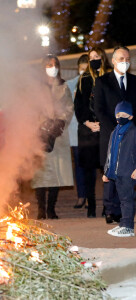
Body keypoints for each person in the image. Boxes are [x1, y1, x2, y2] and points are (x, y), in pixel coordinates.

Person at [94, 46, 136, 224]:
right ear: (114, 61)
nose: (125, 62)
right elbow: (99, 109)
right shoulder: (102, 81)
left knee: (126, 173)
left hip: (130, 136)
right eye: (121, 59)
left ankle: (123, 209)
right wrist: (115, 129)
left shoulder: (135, 81)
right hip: (111, 134)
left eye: (127, 59)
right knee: (110, 173)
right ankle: (110, 209)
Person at [32, 55, 73, 219]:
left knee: (57, 173)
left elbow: (70, 107)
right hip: (40, 134)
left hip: (58, 134)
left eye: (55, 64)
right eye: (49, 64)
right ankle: (41, 209)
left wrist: (61, 121)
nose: (52, 67)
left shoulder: (64, 86)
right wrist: (43, 123)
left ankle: (51, 208)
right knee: (40, 174)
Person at [74, 47, 111, 218]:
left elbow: (113, 104)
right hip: (87, 130)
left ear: (103, 58)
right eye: (91, 57)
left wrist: (103, 123)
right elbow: (79, 105)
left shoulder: (110, 77)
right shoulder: (84, 79)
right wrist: (88, 122)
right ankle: (91, 205)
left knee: (107, 170)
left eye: (97, 56)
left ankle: (107, 205)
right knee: (88, 171)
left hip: (106, 130)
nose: (94, 59)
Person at [103, 101, 136, 237]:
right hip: (116, 172)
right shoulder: (114, 132)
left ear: (131, 116)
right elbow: (109, 153)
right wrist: (106, 171)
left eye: (125, 114)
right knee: (122, 200)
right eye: (119, 114)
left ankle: (128, 227)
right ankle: (123, 223)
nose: (121, 116)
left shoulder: (135, 132)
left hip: (128, 172)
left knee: (127, 200)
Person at [67, 54, 89, 209]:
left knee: (93, 166)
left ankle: (91, 197)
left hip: (92, 130)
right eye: (82, 69)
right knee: (80, 165)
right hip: (75, 130)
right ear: (78, 68)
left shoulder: (97, 84)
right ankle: (82, 196)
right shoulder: (70, 85)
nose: (84, 72)